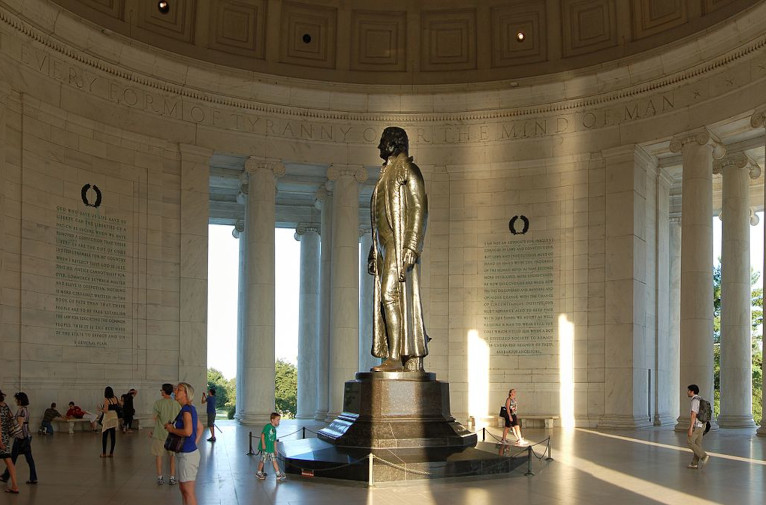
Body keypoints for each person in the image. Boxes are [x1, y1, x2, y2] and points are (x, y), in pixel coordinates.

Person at [368, 126, 430, 372]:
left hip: (398, 243)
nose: (379, 147)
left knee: (389, 296)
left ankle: (395, 357)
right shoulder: (385, 174)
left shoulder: (408, 170)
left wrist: (412, 246)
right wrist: (374, 251)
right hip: (383, 246)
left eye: (383, 141)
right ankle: (392, 354)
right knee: (386, 300)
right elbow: (376, 217)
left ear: (394, 143)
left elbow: (419, 208)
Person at [164, 382, 203, 505]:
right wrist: (193, 444)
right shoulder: (189, 409)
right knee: (183, 488)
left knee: (188, 491)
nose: (175, 392)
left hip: (188, 456)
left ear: (186, 394)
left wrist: (172, 429)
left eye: (179, 390)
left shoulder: (187, 410)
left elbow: (188, 431)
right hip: (187, 453)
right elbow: (200, 428)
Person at [0, 392, 37, 485]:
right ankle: (33, 477)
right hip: (26, 436)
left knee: (11, 458)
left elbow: (19, 425)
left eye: (16, 399)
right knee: (27, 458)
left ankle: (5, 476)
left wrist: (12, 432)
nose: (15, 401)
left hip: (21, 438)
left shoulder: (21, 410)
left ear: (20, 400)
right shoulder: (26, 410)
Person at [151, 383, 181, 485]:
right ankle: (172, 478)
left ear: (163, 392)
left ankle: (160, 477)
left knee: (159, 455)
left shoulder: (158, 403)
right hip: (172, 433)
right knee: (172, 456)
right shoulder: (176, 404)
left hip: (160, 433)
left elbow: (154, 418)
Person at [255, 412, 286, 482]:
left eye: (279, 420)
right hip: (266, 448)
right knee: (263, 460)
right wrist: (263, 444)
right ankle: (258, 472)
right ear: (272, 420)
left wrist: (275, 449)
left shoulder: (274, 429)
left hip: (271, 448)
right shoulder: (268, 427)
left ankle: (278, 474)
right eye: (277, 420)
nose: (279, 421)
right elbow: (262, 435)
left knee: (274, 460)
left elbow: (274, 440)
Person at [686, 384, 710, 470]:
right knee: (697, 444)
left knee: (689, 442)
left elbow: (693, 415)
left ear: (692, 391)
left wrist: (690, 428)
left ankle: (704, 456)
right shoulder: (700, 399)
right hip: (703, 424)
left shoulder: (694, 401)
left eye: (688, 390)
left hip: (697, 425)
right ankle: (694, 463)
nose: (687, 392)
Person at [0, 390, 19, 494]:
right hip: (6, 437)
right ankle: (15, 486)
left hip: (0, 439)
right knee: (9, 462)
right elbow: (12, 418)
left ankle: (15, 486)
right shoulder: (5, 406)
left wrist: (0, 441)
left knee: (8, 461)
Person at [100, 386, 120, 458]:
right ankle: (111, 453)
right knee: (113, 436)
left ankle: (104, 453)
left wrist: (100, 410)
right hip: (114, 417)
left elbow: (105, 411)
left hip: (108, 417)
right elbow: (121, 403)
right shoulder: (115, 398)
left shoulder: (106, 400)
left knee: (105, 435)